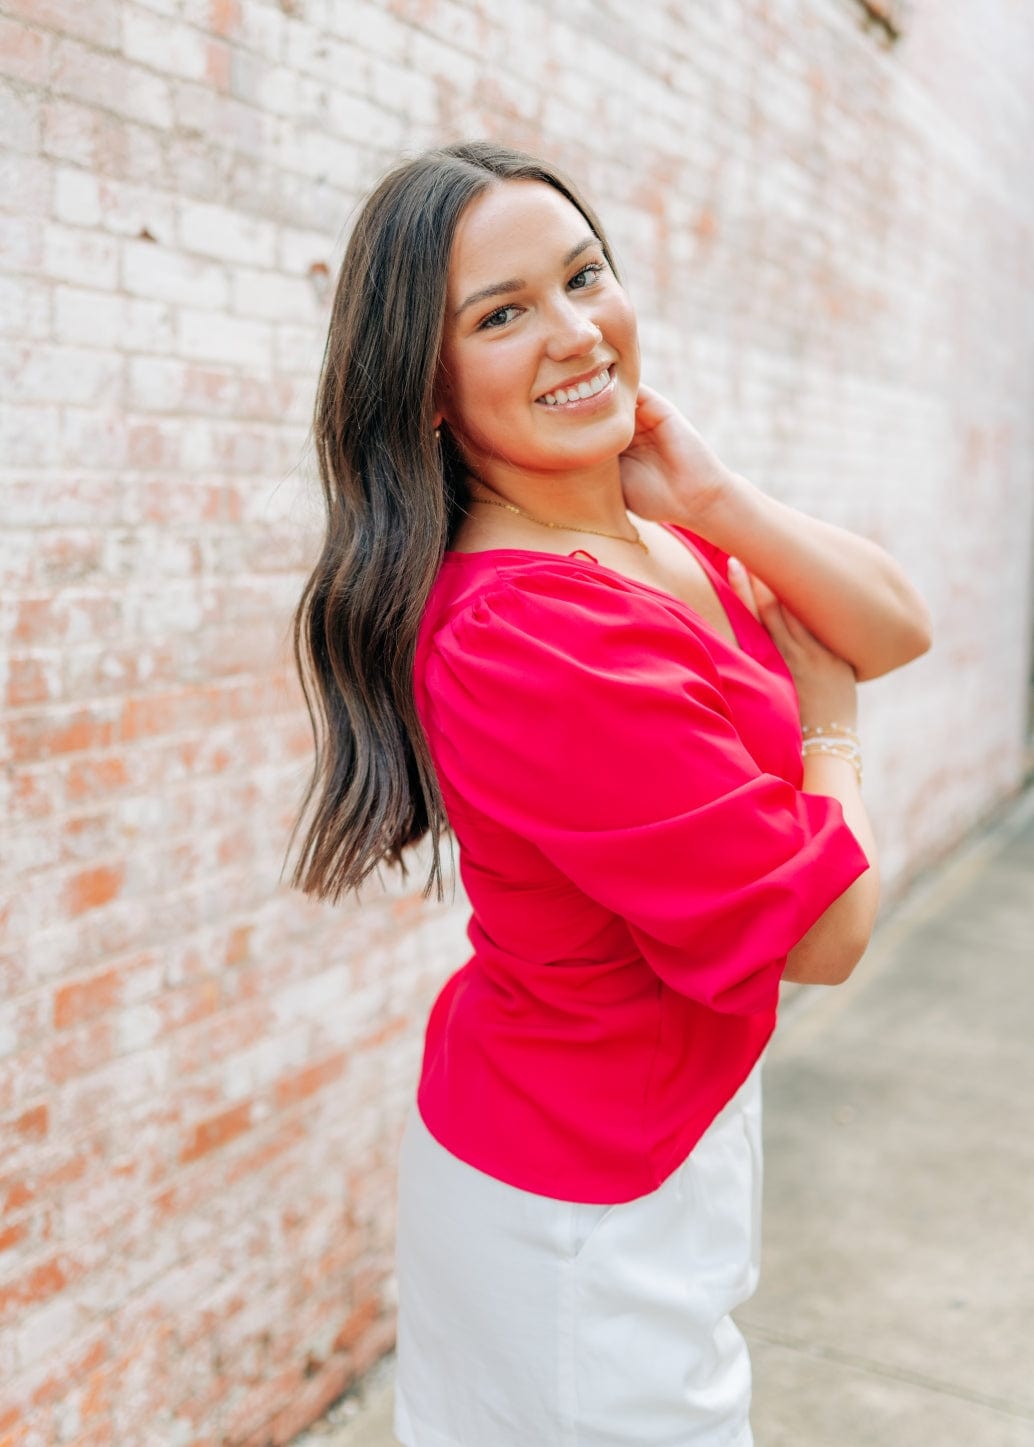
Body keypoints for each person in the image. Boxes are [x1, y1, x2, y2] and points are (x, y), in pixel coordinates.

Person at [289, 141, 931, 1447]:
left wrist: (709, 492)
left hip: (654, 1129)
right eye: (501, 314)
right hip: (578, 1202)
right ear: (424, 388)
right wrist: (830, 733)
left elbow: (891, 623)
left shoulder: (647, 535)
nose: (575, 332)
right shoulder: (531, 634)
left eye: (584, 277)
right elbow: (823, 932)